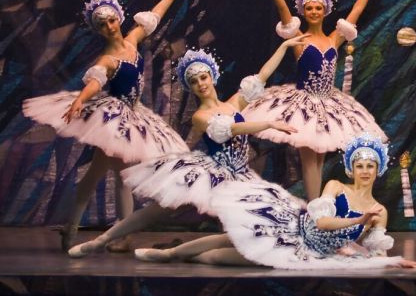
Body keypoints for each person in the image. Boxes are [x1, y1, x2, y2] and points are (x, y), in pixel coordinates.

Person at [66, 39, 304, 257]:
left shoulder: (234, 103)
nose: (200, 84)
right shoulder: (200, 116)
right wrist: (267, 124)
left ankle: (181, 254)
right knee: (160, 209)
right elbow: (231, 129)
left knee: (241, 233)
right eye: (194, 81)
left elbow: (262, 75)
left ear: (212, 76)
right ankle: (100, 240)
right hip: (212, 173)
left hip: (239, 176)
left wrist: (284, 47)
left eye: (203, 77)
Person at [22, 0, 197, 250]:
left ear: (119, 18)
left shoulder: (133, 40)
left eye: (112, 21)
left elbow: (156, 14)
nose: (110, 27)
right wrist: (80, 99)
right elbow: (95, 82)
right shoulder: (107, 59)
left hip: (133, 115)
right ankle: (118, 236)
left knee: (96, 174)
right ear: (98, 29)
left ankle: (75, 229)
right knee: (119, 175)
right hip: (115, 120)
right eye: (103, 25)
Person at [135, 135, 416, 270]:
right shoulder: (336, 186)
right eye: (359, 165)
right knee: (231, 237)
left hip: (309, 252)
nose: (364, 171)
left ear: (378, 170)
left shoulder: (379, 211)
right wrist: (359, 220)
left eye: (370, 166)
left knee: (225, 258)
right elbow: (322, 221)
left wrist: (396, 261)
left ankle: (188, 257)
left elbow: (376, 252)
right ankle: (170, 254)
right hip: (292, 227)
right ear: (351, 168)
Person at [246, 0, 390, 198]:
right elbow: (283, 11)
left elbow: (355, 13)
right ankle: (315, 209)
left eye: (318, 8)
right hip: (304, 104)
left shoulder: (334, 39)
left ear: (325, 11)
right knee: (309, 159)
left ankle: (317, 207)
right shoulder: (299, 38)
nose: (314, 12)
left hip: (328, 103)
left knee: (319, 159)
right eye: (310, 8)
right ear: (304, 11)